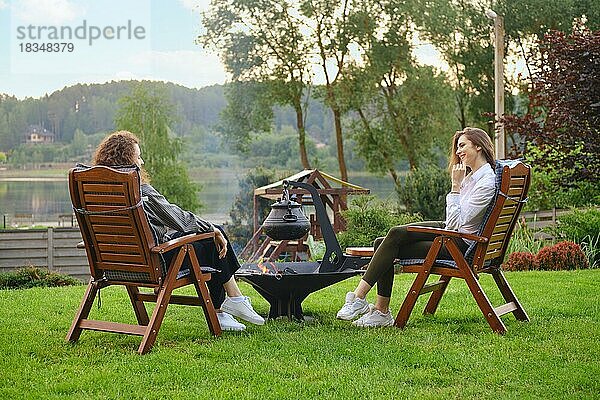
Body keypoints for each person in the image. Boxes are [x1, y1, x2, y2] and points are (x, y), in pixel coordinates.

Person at [92, 130, 264, 331]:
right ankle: (230, 302)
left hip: (114, 264)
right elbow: (180, 220)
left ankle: (225, 310)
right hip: (156, 263)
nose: (142, 162)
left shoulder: (97, 193)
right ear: (127, 160)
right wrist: (212, 230)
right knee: (212, 240)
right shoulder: (139, 190)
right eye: (138, 157)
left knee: (212, 235)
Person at [337, 127, 497, 327]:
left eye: (462, 145)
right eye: (457, 147)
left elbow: (456, 224)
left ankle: (363, 301)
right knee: (386, 239)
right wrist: (460, 183)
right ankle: (376, 309)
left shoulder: (486, 182)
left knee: (387, 243)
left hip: (461, 245)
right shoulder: (475, 177)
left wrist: (455, 186)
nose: (458, 152)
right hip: (456, 233)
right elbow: (455, 221)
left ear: (479, 146)